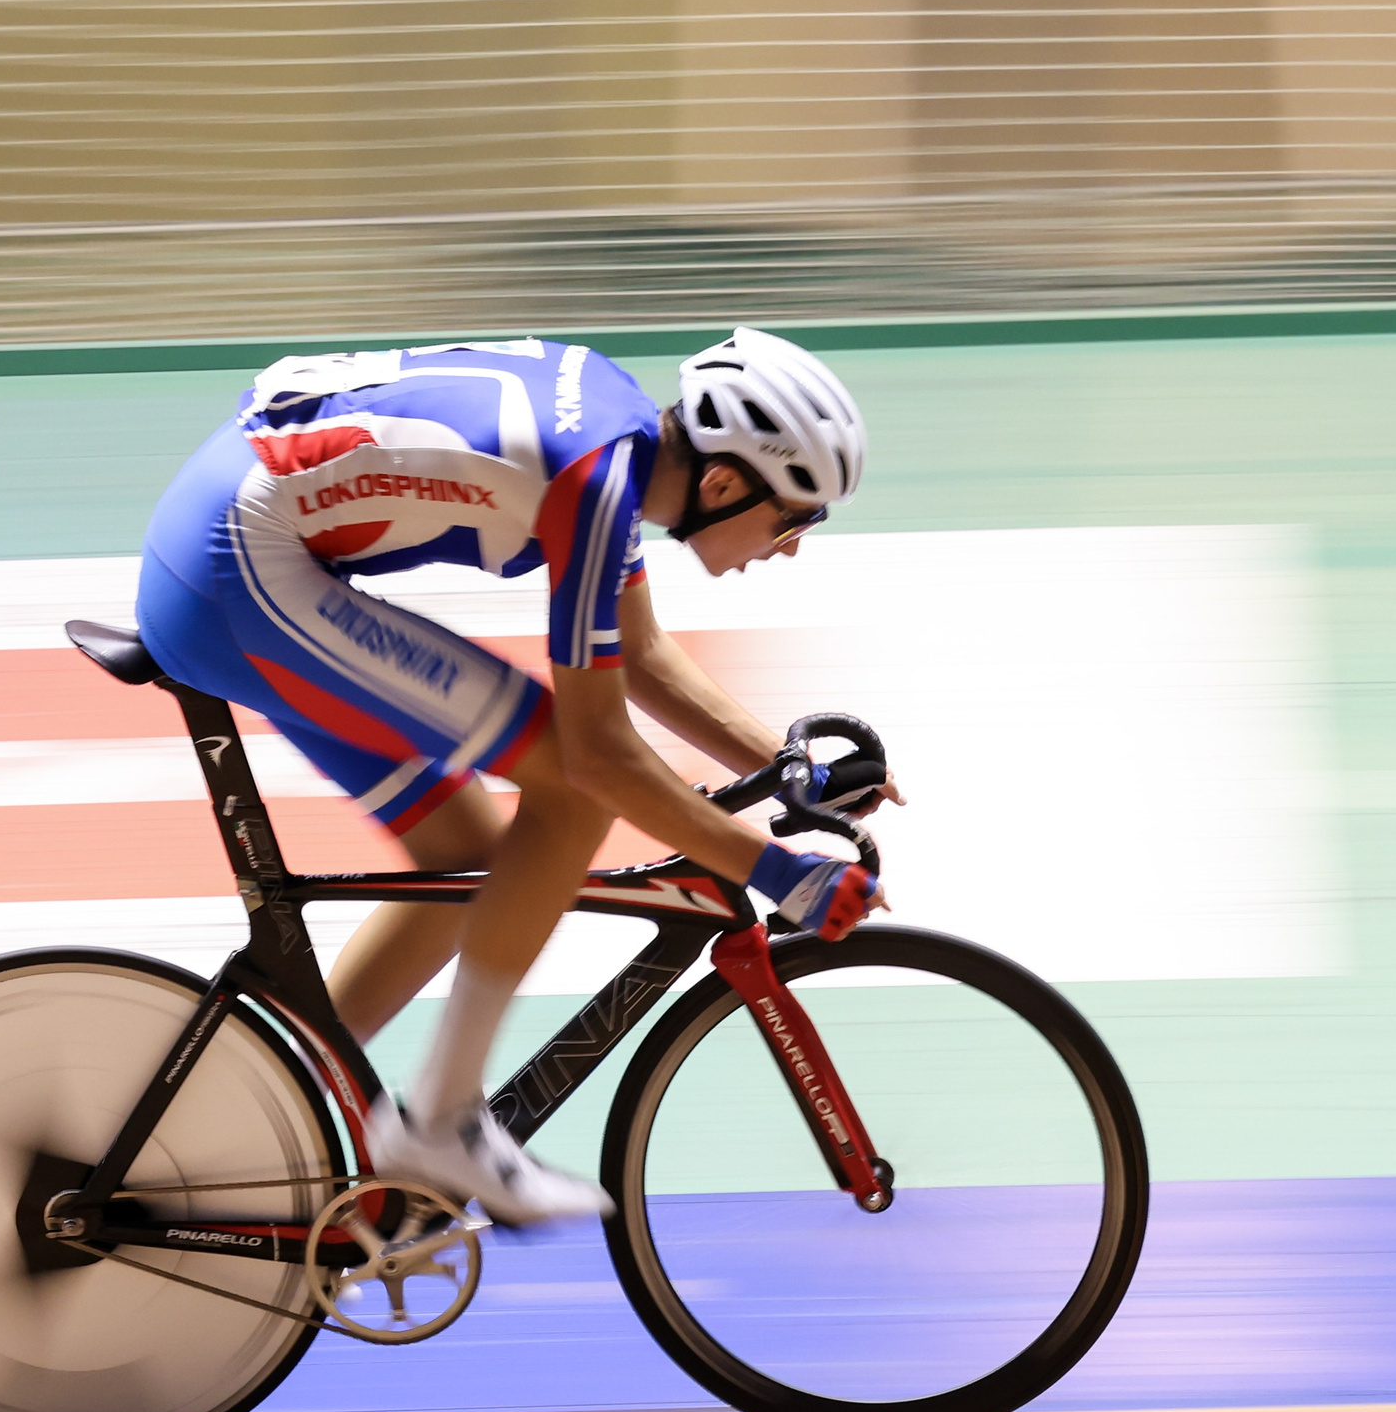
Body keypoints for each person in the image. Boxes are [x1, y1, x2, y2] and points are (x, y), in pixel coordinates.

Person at [135, 328, 895, 1225]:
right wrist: (778, 871)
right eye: (797, 515)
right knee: (573, 792)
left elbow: (640, 652)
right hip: (238, 573)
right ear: (725, 482)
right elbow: (599, 756)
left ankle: (256, 1115)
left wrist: (784, 765)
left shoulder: (612, 442)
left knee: (465, 859)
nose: (795, 543)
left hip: (235, 547)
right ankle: (445, 1124)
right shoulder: (595, 480)